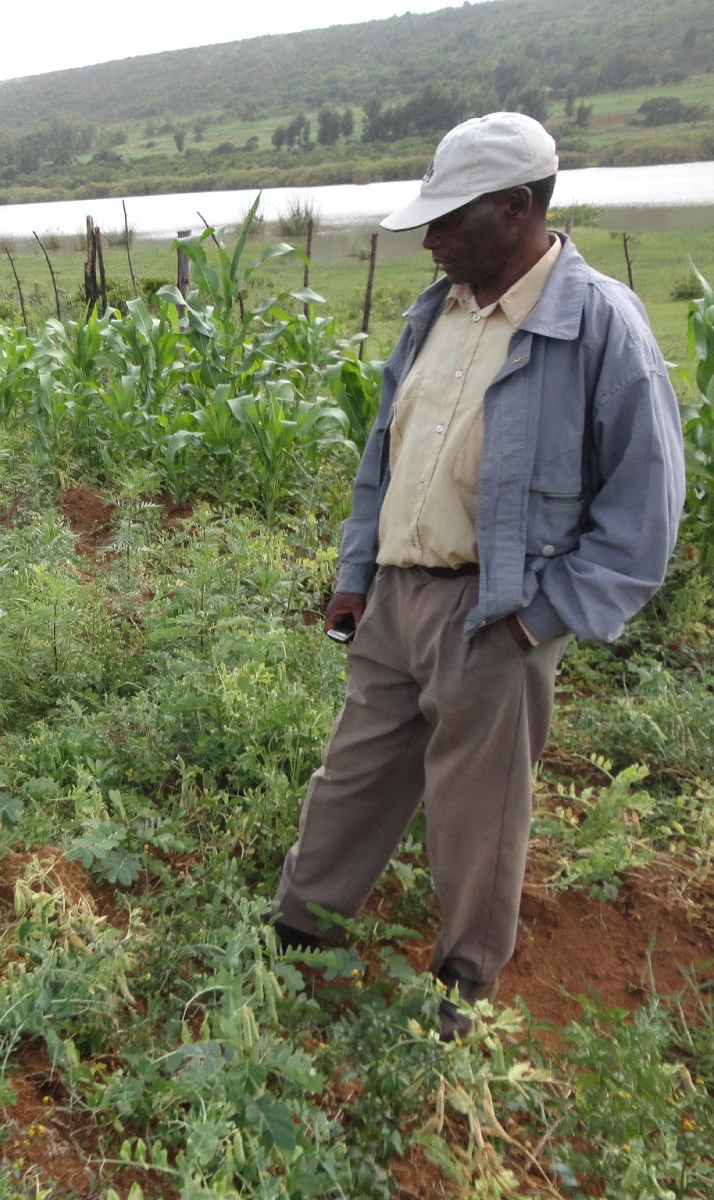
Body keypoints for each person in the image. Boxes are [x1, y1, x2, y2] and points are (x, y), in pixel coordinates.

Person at [269, 112, 685, 1039]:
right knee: (352, 774)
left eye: (451, 217)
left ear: (514, 206)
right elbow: (387, 455)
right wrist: (356, 570)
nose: (431, 238)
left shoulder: (599, 325)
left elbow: (643, 517)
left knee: (478, 811)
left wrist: (538, 621)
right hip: (394, 597)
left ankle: (462, 987)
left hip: (498, 611)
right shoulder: (437, 312)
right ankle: (298, 932)